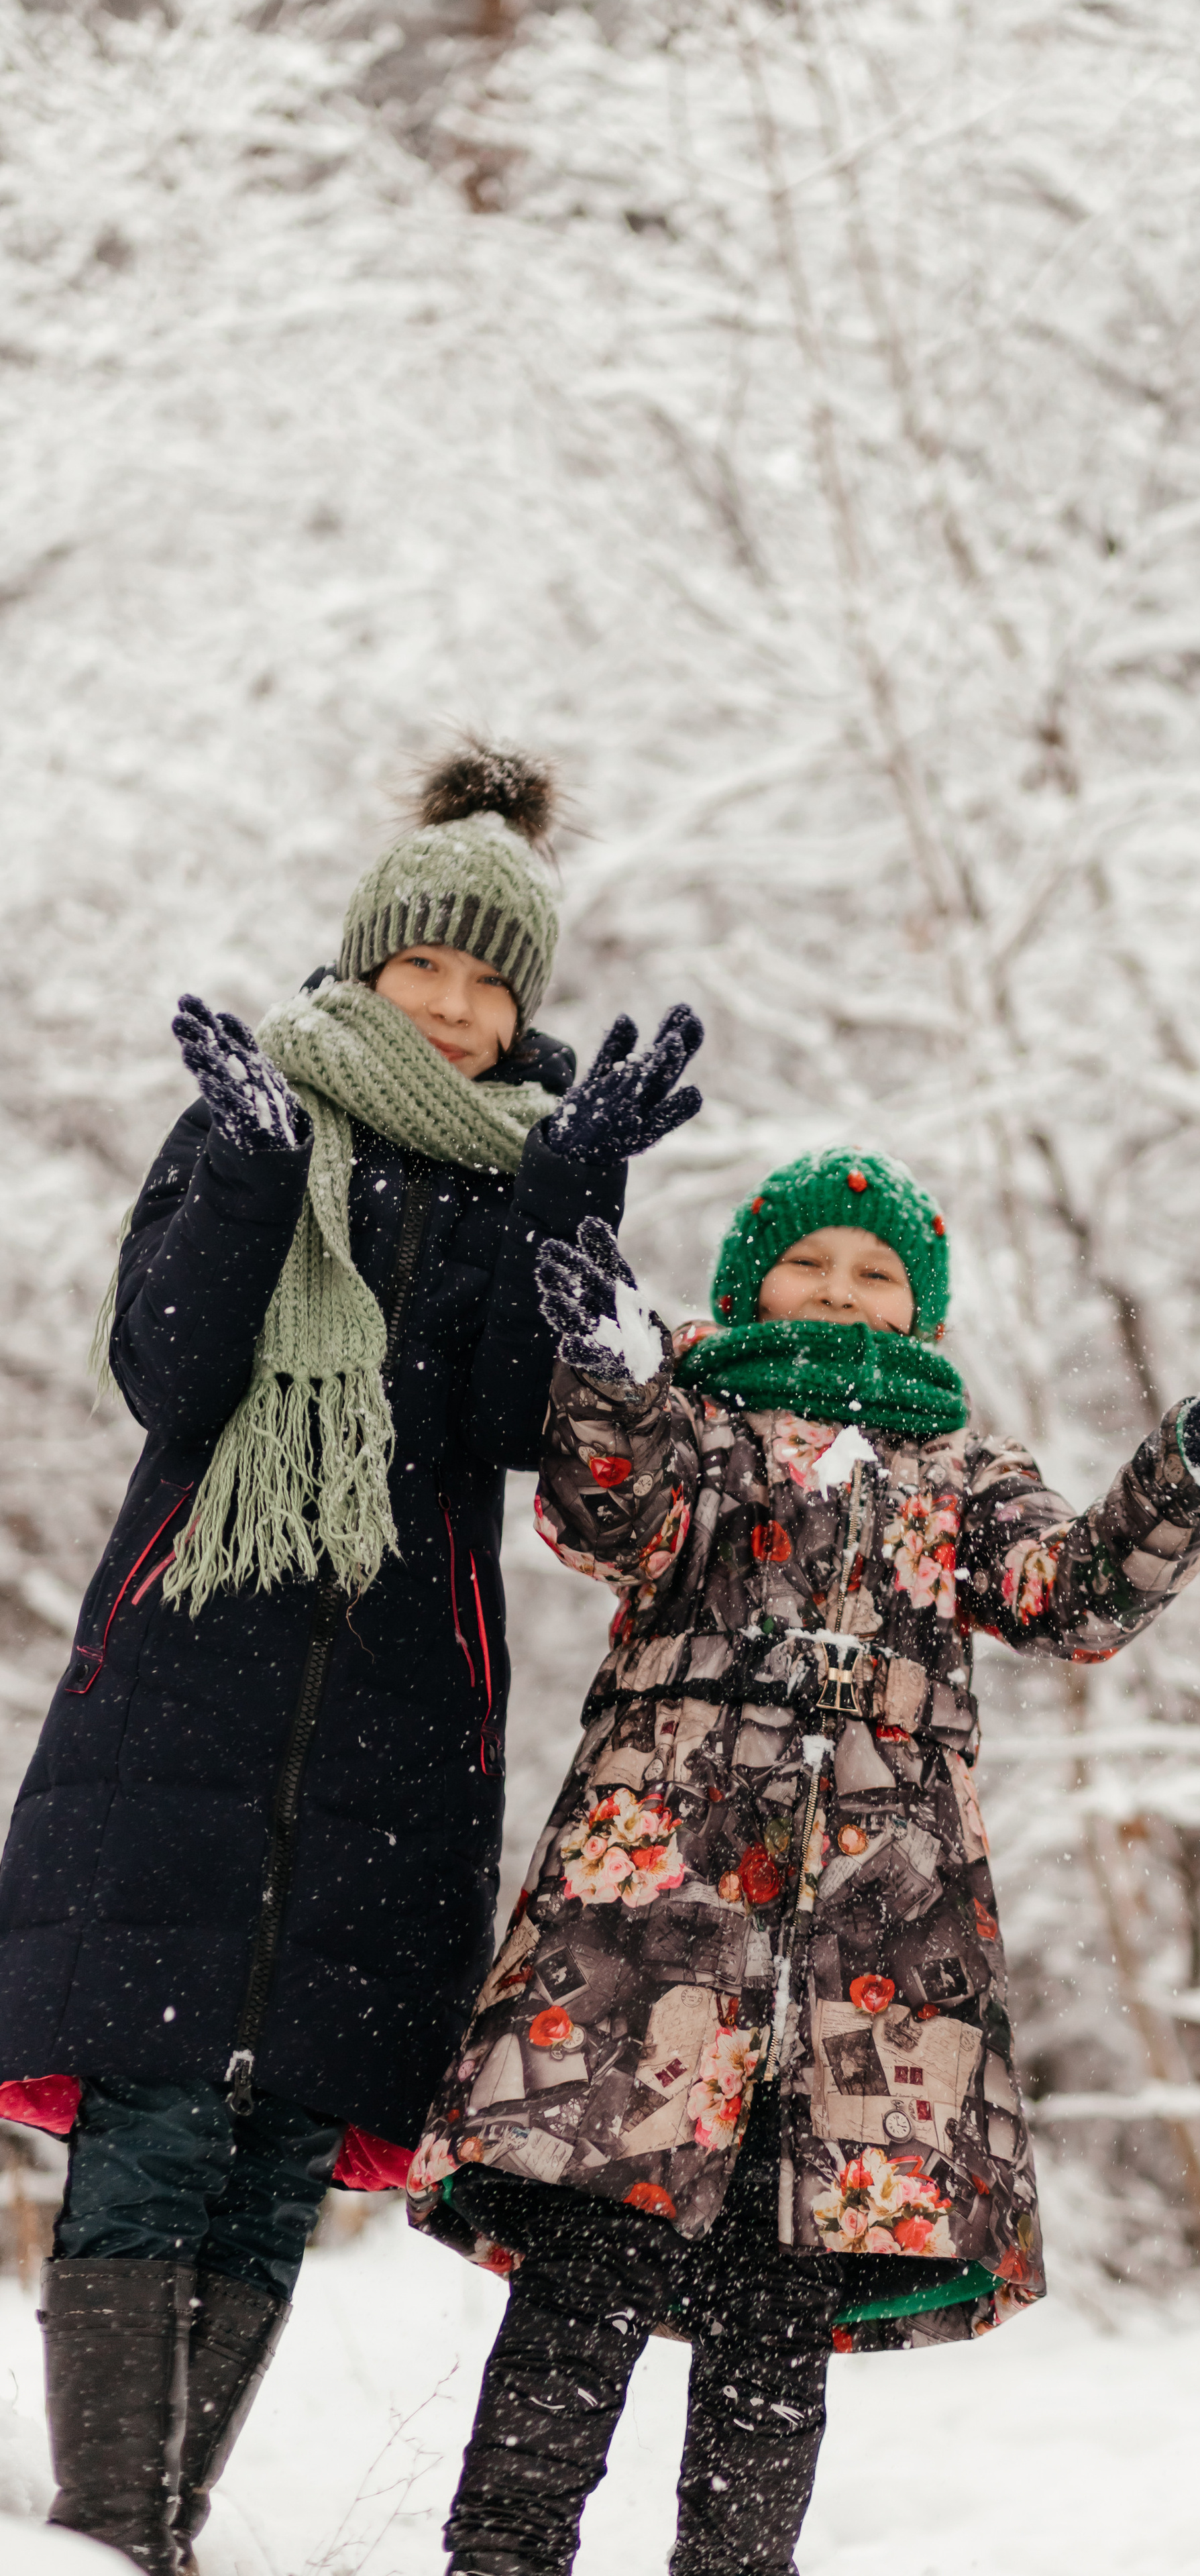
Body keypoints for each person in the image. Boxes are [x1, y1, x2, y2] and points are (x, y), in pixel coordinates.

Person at [406, 1146, 1200, 2576]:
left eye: (877, 1276)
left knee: (776, 2305)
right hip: (655, 1914)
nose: (842, 1295)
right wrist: (610, 1376)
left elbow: (1071, 1596)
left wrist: (1179, 1477)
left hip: (871, 1948)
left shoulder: (964, 1470)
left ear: (919, 1316)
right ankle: (503, 2552)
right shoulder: (695, 1420)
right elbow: (605, 1521)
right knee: (588, 2268)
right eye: (811, 1266)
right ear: (747, 1285)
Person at [0, 743, 704, 2575]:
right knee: (155, 2117)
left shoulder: (515, 1177)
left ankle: (169, 2528)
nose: (460, 1011)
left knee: (284, 2144)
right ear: (371, 958)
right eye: (431, 970)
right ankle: (108, 2537)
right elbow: (171, 1370)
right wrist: (243, 1179)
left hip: (406, 1706)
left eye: (495, 982)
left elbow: (520, 1424)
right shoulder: (260, 1120)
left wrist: (580, 1198)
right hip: (187, 1673)